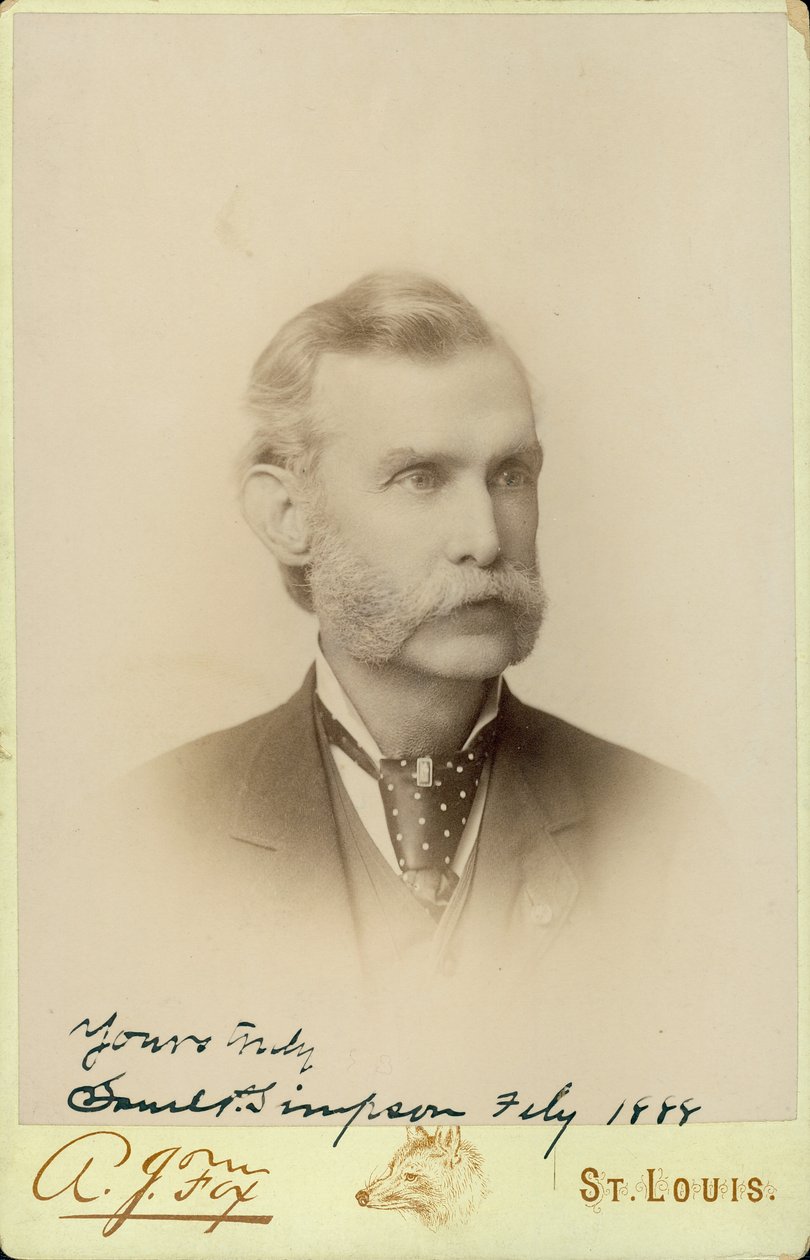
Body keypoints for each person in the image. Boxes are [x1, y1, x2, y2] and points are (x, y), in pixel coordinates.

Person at [66, 271, 761, 1118]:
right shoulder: (147, 838)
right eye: (420, 478)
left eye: (510, 475)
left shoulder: (670, 836)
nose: (484, 540)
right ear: (287, 515)